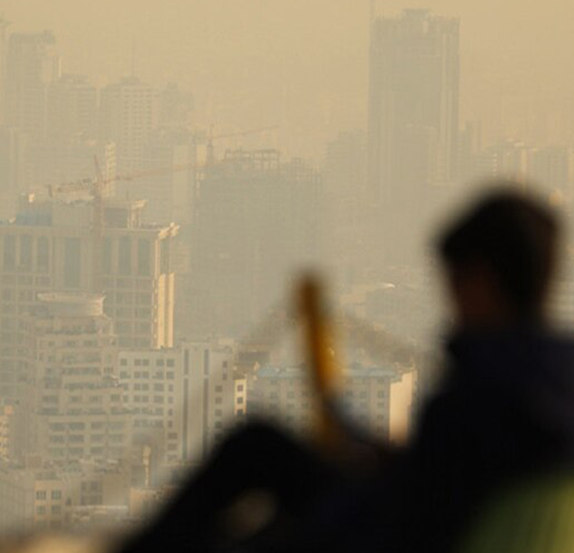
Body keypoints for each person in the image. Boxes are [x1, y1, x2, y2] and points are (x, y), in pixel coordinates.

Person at [115, 190, 574, 553]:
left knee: (255, 447)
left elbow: (411, 521)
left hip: (375, 536)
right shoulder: (556, 380)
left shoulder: (479, 392)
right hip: (415, 521)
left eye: (453, 286)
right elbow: (449, 484)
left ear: (481, 282)